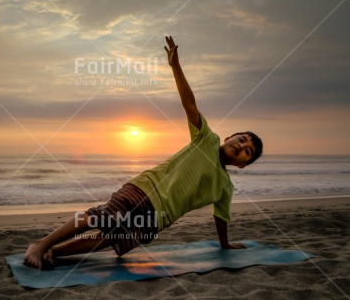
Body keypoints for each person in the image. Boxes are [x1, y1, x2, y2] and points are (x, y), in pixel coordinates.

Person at [24, 36, 263, 270]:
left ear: (243, 164)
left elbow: (220, 217)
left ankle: (55, 252)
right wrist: (175, 66)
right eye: (241, 140)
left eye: (247, 151)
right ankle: (41, 244)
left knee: (113, 237)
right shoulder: (206, 139)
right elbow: (189, 103)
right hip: (145, 189)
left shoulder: (225, 187)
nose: (241, 146)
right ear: (229, 137)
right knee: (102, 219)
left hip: (160, 218)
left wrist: (225, 244)